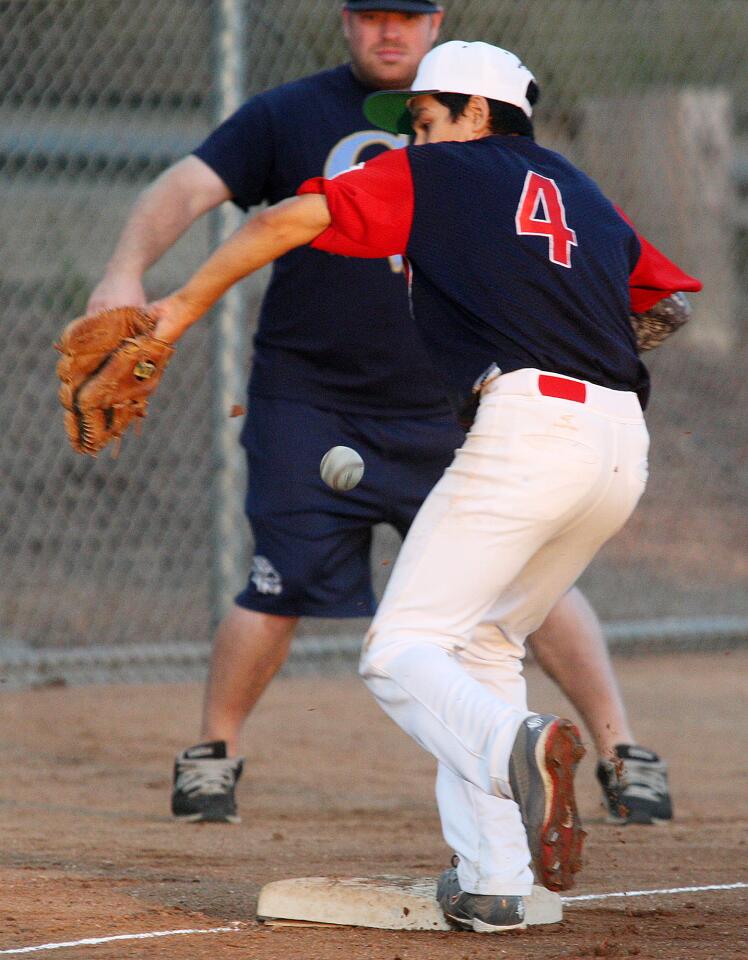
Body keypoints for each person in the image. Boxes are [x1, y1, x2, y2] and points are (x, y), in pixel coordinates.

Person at [141, 39, 701, 929]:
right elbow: (665, 306)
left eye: (427, 118)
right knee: (484, 644)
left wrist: (174, 311)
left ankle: (514, 745)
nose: (414, 137)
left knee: (399, 649)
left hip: (528, 431)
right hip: (617, 446)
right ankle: (494, 882)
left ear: (476, 115)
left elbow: (285, 220)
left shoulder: (440, 173)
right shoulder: (580, 190)